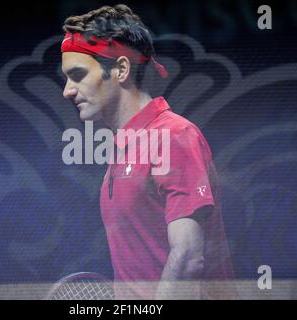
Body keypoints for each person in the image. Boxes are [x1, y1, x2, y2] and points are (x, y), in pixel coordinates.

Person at [60, 4, 235, 299]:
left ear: (121, 69)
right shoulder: (122, 151)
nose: (68, 90)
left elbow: (189, 258)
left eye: (77, 75)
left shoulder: (173, 136)